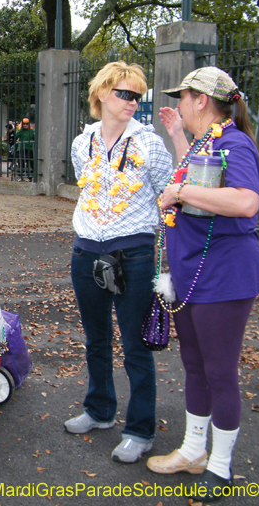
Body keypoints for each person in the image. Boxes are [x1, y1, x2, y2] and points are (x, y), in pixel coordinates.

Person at [148, 67, 259, 502]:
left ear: (201, 100)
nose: (177, 104)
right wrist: (178, 136)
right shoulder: (203, 141)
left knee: (219, 373)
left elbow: (245, 200)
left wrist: (179, 194)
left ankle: (220, 467)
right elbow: (195, 176)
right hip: (192, 272)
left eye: (182, 98)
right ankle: (193, 451)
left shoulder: (235, 142)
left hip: (224, 276)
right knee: (195, 367)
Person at [65, 61, 172, 464]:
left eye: (137, 96)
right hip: (87, 248)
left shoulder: (149, 143)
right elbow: (85, 186)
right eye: (124, 94)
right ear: (102, 96)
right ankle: (99, 409)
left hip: (135, 252)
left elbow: (168, 193)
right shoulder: (82, 142)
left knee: (135, 345)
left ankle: (140, 429)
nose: (132, 102)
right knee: (95, 338)